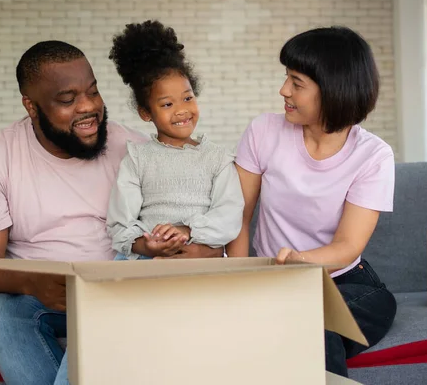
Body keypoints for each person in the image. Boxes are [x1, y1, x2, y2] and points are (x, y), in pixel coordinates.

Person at [0, 40, 151, 385]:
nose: (88, 107)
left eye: (93, 92)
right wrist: (32, 281)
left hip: (118, 292)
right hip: (43, 298)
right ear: (31, 106)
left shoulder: (133, 149)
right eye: (67, 100)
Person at [227, 26, 397, 377]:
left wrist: (299, 262)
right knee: (294, 323)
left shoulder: (373, 155)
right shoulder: (263, 131)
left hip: (345, 282)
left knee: (314, 321)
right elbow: (238, 217)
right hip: (271, 280)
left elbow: (348, 246)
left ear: (332, 90)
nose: (283, 90)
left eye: (296, 82)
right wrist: (241, 283)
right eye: (286, 78)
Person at [106, 20, 244, 260]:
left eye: (187, 98)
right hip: (148, 259)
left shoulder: (218, 159)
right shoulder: (138, 159)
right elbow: (120, 224)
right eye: (167, 104)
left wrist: (187, 231)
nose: (182, 110)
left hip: (201, 255)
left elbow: (229, 215)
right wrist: (147, 245)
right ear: (146, 112)